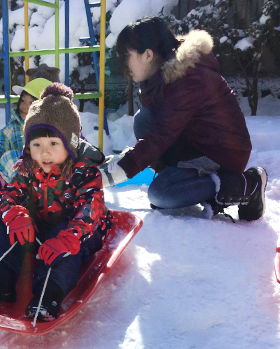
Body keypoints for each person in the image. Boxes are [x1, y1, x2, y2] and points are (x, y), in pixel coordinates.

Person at [100, 16, 267, 221]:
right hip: (196, 143)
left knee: (161, 194)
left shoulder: (188, 77)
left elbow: (161, 134)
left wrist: (117, 171)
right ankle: (187, 185)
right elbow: (158, 130)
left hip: (221, 153)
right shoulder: (161, 76)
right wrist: (116, 163)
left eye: (127, 56)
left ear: (148, 55)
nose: (125, 64)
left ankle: (247, 183)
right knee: (144, 119)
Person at [0, 83, 114, 321]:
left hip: (78, 231)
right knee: (2, 225)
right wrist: (15, 214)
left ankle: (48, 296)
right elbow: (7, 194)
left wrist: (70, 237)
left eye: (53, 144)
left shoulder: (83, 171)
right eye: (37, 145)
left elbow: (92, 207)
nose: (44, 153)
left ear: (70, 144)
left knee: (66, 245)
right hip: (41, 226)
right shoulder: (27, 166)